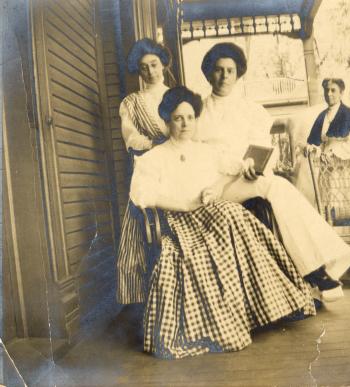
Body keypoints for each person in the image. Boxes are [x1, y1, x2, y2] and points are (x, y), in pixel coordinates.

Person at [130, 86, 316, 359]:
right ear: (167, 119)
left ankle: (263, 308)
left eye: (190, 117)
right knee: (229, 215)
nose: (185, 124)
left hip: (212, 212)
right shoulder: (154, 158)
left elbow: (236, 168)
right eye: (178, 118)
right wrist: (184, 204)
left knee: (232, 213)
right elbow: (143, 195)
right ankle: (229, 320)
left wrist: (215, 187)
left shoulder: (205, 151)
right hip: (180, 221)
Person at [194, 43, 350, 302]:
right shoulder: (198, 112)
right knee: (276, 188)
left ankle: (316, 269)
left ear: (238, 74)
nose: (224, 76)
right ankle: (316, 271)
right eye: (218, 70)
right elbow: (198, 154)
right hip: (212, 184)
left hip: (244, 179)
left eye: (230, 70)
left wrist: (254, 166)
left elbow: (262, 148)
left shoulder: (250, 109)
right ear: (208, 73)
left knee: (276, 186)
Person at [116, 38, 171, 304]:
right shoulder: (131, 103)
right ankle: (145, 297)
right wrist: (156, 144)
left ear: (163, 65)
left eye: (154, 64)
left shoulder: (178, 96)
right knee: (145, 231)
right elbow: (132, 139)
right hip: (149, 167)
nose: (150, 72)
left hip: (178, 167)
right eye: (143, 67)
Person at [304, 78, 350, 256]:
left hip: (347, 170)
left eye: (333, 90)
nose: (329, 94)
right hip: (327, 171)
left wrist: (334, 153)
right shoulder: (322, 116)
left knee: (347, 206)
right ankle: (336, 254)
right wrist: (313, 149)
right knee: (327, 208)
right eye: (327, 90)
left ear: (341, 93)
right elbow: (316, 143)